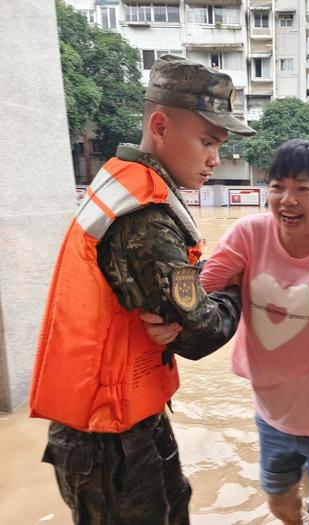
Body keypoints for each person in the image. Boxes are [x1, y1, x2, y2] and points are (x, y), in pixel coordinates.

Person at [29, 55, 252, 524]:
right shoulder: (144, 216)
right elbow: (201, 332)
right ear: (160, 125)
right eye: (207, 142)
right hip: (106, 441)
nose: (216, 159)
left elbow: (177, 306)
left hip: (128, 419)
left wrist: (188, 307)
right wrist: (234, 287)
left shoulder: (125, 182)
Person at [160, 139, 309, 525]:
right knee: (279, 504)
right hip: (271, 416)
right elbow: (203, 290)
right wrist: (166, 320)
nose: (287, 200)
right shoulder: (249, 234)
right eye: (277, 187)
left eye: (303, 188)